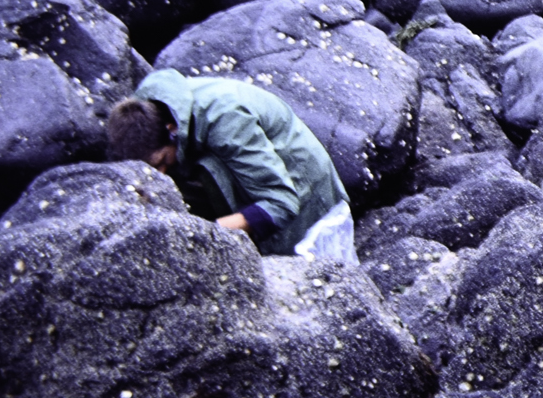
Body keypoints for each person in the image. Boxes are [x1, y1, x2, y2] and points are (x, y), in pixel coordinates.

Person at [105, 69, 355, 261]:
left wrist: (201, 234)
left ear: (172, 131)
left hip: (306, 199)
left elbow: (282, 203)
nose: (160, 175)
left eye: (161, 163)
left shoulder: (227, 120)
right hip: (241, 180)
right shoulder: (146, 115)